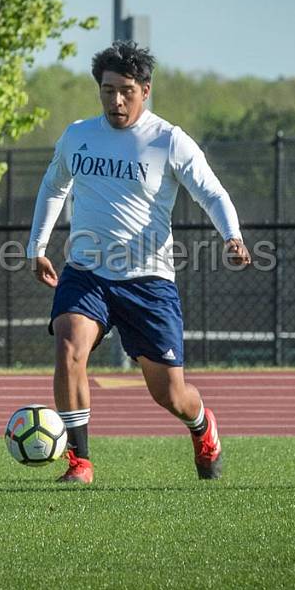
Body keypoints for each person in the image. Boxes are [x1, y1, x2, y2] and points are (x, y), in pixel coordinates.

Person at [26, 41, 251, 483]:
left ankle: (202, 427)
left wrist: (232, 235)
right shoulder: (78, 135)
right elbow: (53, 187)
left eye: (126, 90)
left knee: (170, 394)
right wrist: (37, 247)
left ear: (145, 90)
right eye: (108, 90)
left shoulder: (168, 139)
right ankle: (80, 462)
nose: (116, 100)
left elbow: (211, 192)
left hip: (147, 281)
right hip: (86, 273)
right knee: (69, 347)